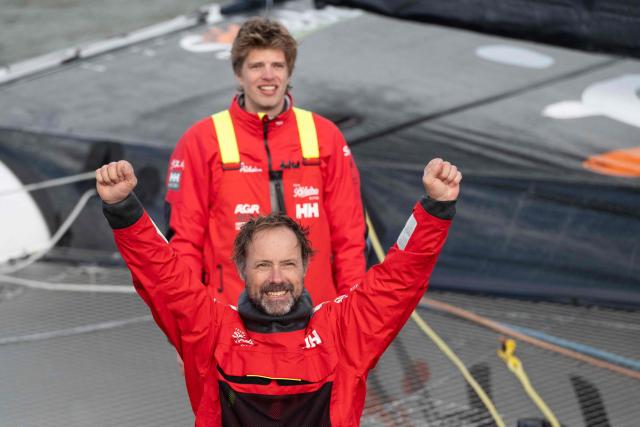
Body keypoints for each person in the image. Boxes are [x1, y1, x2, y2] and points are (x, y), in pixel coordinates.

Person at [96, 157, 461, 425]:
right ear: (242, 270)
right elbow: (163, 275)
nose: (276, 278)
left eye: (287, 264)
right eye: (262, 265)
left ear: (304, 268)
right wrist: (123, 208)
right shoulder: (209, 330)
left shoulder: (343, 331)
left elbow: (401, 277)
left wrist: (436, 207)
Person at [164, 17, 366, 306]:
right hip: (230, 319)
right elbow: (184, 242)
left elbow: (351, 237)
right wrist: (192, 317)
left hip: (318, 318)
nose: (268, 76)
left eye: (277, 66)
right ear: (239, 74)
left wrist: (350, 310)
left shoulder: (326, 136)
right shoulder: (200, 141)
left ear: (289, 72)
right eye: (257, 66)